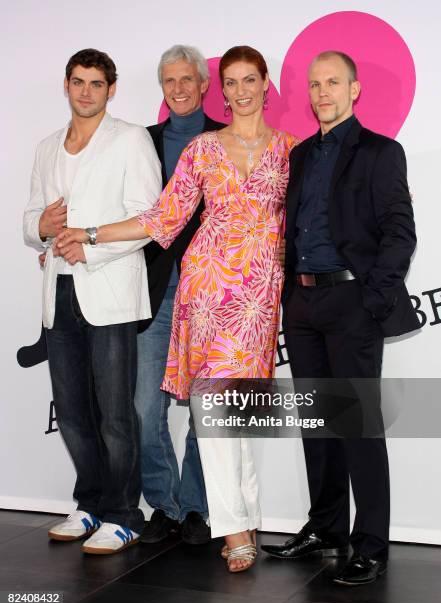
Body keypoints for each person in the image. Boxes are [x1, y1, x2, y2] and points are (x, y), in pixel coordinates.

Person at [55, 45, 299, 572]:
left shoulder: (290, 150)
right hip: (206, 293)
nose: (240, 91)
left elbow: (306, 221)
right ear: (224, 89)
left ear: (264, 83)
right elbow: (158, 220)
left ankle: (244, 514)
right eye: (231, 82)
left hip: (258, 299)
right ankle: (233, 530)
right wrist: (91, 233)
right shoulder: (203, 150)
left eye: (248, 80)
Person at [261, 51, 419, 585]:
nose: (321, 92)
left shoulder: (380, 152)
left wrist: (371, 303)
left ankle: (370, 542)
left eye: (333, 82)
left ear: (354, 90)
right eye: (314, 84)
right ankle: (327, 528)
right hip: (302, 305)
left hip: (352, 302)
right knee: (318, 424)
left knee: (357, 426)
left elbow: (400, 233)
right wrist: (287, 296)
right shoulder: (300, 155)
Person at [23, 48, 162, 554]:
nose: (86, 91)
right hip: (58, 291)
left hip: (107, 291)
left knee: (114, 412)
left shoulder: (131, 140)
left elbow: (150, 219)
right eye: (78, 82)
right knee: (76, 412)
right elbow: (30, 219)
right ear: (66, 85)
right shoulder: (45, 147)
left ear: (111, 89)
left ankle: (125, 513)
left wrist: (92, 244)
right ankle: (90, 504)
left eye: (96, 83)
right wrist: (42, 228)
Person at [138, 45, 224, 546]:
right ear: (162, 87)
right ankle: (163, 505)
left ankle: (195, 506)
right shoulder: (141, 143)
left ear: (203, 83)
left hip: (211, 296)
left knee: (203, 410)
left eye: (187, 78)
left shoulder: (227, 139)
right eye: (169, 80)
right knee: (144, 408)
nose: (179, 88)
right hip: (151, 293)